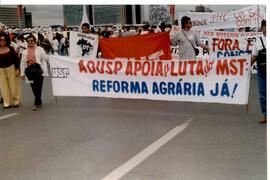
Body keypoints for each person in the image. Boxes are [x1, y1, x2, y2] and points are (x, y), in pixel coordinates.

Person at [20, 34, 48, 111]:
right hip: (29, 72)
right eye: (28, 41)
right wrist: (22, 74)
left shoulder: (40, 49)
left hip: (38, 71)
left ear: (35, 41)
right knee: (34, 88)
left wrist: (48, 55)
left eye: (32, 41)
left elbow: (45, 58)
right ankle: (39, 100)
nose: (30, 42)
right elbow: (22, 63)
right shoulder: (24, 52)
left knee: (39, 87)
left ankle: (37, 103)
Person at [0, 32, 21, 108]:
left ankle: (16, 101)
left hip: (11, 68)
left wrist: (17, 69)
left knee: (14, 86)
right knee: (3, 87)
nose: (2, 41)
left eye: (4, 39)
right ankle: (6, 103)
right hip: (1, 70)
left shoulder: (10, 49)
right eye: (0, 39)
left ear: (7, 40)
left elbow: (16, 59)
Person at [251, 19, 267, 123]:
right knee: (262, 93)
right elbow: (254, 56)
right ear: (262, 28)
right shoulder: (258, 41)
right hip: (262, 71)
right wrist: (246, 68)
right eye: (266, 26)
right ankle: (265, 115)